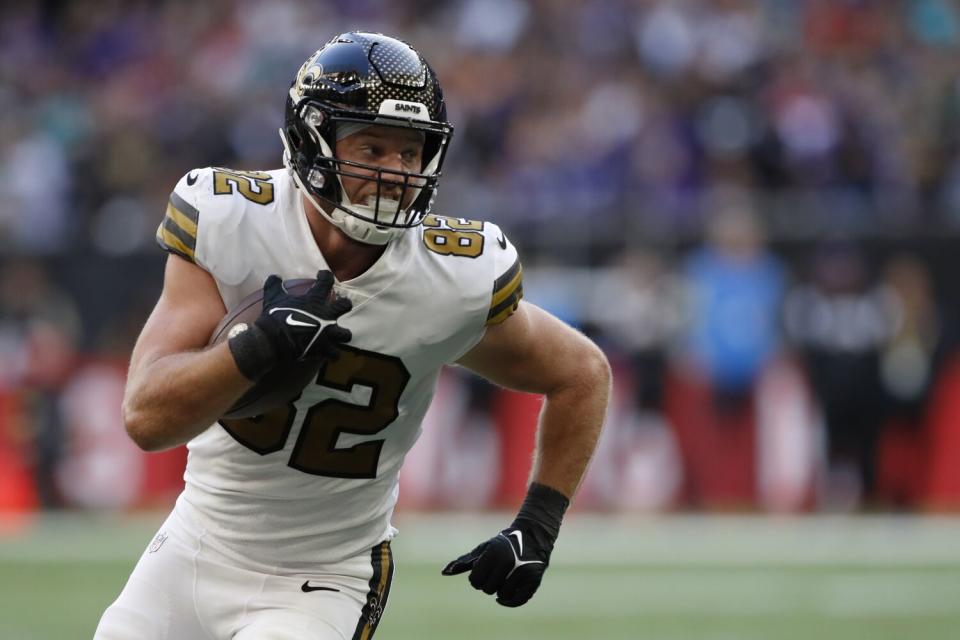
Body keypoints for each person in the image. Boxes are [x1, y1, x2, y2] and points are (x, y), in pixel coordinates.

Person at [95, 32, 610, 639]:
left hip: (324, 577)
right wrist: (256, 348)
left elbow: (582, 374)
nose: (395, 172)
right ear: (313, 141)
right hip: (193, 544)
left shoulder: (449, 278)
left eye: (411, 152)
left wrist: (538, 524)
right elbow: (146, 418)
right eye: (373, 147)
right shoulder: (233, 220)